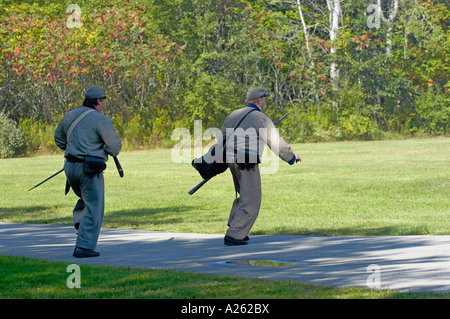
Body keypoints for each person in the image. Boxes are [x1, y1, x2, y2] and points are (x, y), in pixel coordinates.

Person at [222, 88, 300, 246]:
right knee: (252, 201)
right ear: (259, 100)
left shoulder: (233, 115)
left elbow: (222, 140)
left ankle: (236, 225)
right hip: (247, 161)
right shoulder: (260, 117)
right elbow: (276, 142)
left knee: (244, 195)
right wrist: (291, 157)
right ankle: (235, 234)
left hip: (231, 159)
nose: (265, 101)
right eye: (264, 98)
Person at [54, 85, 122, 257]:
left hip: (70, 167)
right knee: (94, 206)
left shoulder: (69, 115)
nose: (103, 104)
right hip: (89, 169)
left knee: (86, 199)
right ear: (98, 101)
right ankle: (84, 247)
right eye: (103, 100)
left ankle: (81, 224)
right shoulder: (101, 120)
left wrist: (74, 149)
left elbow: (59, 139)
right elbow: (113, 148)